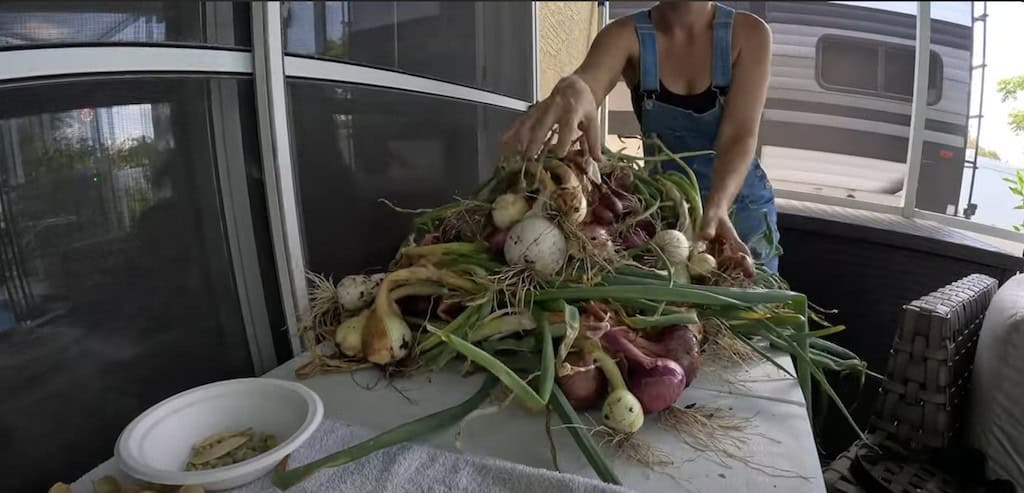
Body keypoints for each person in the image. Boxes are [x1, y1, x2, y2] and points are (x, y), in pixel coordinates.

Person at [503, 1, 781, 273]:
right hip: (669, 210)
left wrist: (717, 207)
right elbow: (590, 80)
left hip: (741, 211)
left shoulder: (750, 34)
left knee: (751, 306)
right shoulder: (625, 36)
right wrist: (575, 87)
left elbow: (739, 136)